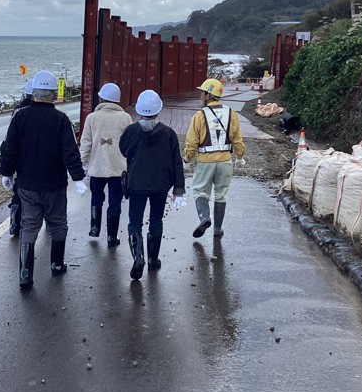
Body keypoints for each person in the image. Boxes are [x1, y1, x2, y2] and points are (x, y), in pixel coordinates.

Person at [0, 70, 87, 289]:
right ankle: (56, 265)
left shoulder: (19, 117)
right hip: (54, 184)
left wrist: (6, 173)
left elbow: (9, 149)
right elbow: (70, 152)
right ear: (53, 95)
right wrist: (78, 178)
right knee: (58, 223)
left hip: (27, 183)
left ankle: (25, 274)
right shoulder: (61, 120)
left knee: (29, 225)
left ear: (33, 94)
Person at [119, 89, 185, 280]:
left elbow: (123, 150)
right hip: (160, 185)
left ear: (139, 110)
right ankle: (153, 260)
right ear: (158, 110)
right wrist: (178, 189)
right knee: (156, 220)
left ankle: (138, 257)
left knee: (135, 221)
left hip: (136, 183)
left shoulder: (131, 131)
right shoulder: (169, 133)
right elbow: (177, 162)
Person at [184, 78, 246, 240]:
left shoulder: (199, 115)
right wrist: (240, 156)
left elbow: (191, 141)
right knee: (221, 194)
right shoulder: (231, 113)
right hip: (225, 161)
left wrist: (187, 159)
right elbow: (237, 138)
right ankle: (217, 229)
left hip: (205, 161)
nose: (200, 95)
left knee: (200, 191)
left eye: (202, 93)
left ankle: (205, 217)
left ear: (208, 95)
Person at [79, 82, 133, 248]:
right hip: (118, 168)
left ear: (102, 98)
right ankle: (111, 237)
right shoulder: (125, 118)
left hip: (97, 167)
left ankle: (94, 228)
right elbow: (130, 143)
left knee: (96, 197)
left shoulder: (92, 118)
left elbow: (85, 142)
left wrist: (82, 164)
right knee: (115, 202)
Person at [7, 78, 34, 238]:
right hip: (39, 157)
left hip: (21, 157)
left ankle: (14, 224)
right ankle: (49, 223)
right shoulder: (45, 110)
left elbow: (10, 139)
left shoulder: (17, 110)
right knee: (45, 192)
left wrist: (7, 169)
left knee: (19, 189)